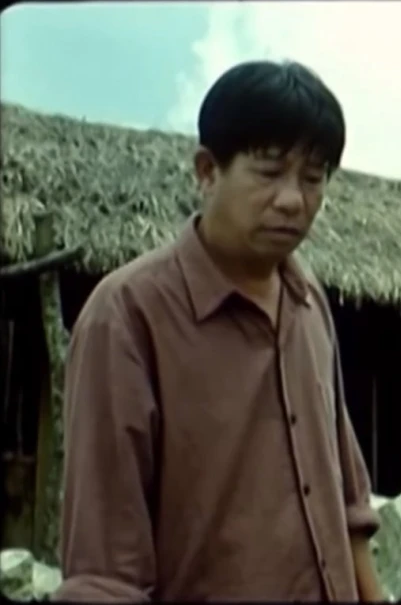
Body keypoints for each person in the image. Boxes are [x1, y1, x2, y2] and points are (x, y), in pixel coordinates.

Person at [55, 60, 384, 602]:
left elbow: (348, 503)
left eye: (313, 177)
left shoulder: (308, 303)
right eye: (269, 171)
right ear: (207, 171)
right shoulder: (128, 317)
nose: (293, 199)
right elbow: (105, 571)